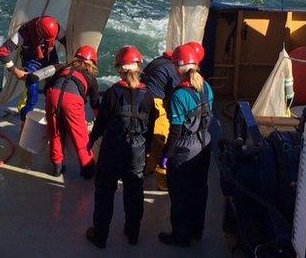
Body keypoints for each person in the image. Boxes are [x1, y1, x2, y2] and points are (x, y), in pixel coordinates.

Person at [85, 46, 158, 249]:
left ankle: (100, 235)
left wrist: (91, 140)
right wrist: (148, 147)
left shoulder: (112, 93)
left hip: (113, 148)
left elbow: (101, 123)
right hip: (137, 150)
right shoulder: (148, 95)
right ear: (139, 67)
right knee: (134, 191)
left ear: (119, 69)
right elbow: (151, 125)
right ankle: (132, 233)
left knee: (105, 191)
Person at [158, 43, 214, 247]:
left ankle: (180, 235)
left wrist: (166, 154)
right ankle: (197, 229)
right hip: (205, 143)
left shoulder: (178, 95)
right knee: (200, 189)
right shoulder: (206, 87)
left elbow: (175, 131)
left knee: (180, 193)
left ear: (177, 68)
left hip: (185, 149)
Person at [20, 45, 101, 177]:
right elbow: (95, 104)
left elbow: (36, 79)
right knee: (80, 136)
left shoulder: (62, 66)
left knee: (55, 132)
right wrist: (101, 123)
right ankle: (88, 169)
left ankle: (57, 167)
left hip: (53, 96)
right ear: (92, 63)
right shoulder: (91, 77)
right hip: (72, 101)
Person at [143, 41, 205, 188]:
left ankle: (148, 167)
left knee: (150, 137)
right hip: (155, 102)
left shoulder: (163, 60)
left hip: (144, 97)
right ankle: (163, 181)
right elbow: (177, 95)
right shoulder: (175, 72)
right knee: (161, 138)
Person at [0, 15, 64, 120]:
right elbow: (2, 52)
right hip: (32, 63)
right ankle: (25, 123)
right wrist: (15, 70)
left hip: (50, 58)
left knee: (54, 92)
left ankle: (53, 120)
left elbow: (67, 42)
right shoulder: (23, 34)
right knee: (32, 96)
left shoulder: (56, 28)